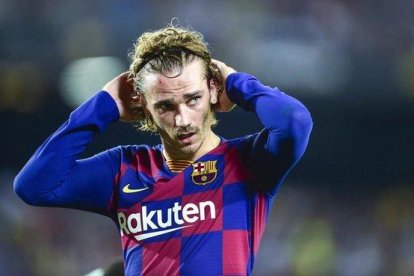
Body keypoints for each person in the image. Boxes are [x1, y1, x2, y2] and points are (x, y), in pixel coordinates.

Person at [14, 24, 313, 275]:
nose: (183, 120)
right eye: (166, 106)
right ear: (142, 105)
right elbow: (35, 186)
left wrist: (236, 82)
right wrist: (103, 105)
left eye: (193, 99)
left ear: (212, 89)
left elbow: (294, 121)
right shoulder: (124, 168)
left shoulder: (247, 163)